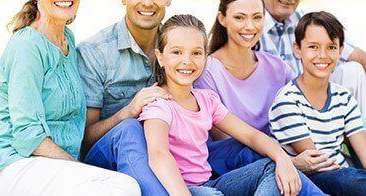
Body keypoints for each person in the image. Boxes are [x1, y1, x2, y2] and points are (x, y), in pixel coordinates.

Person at [0, 0, 140, 195]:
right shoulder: (27, 46)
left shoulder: (68, 41)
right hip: (17, 164)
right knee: (123, 187)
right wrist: (79, 169)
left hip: (55, 166)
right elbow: (28, 135)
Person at [139, 14, 324, 196]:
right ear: (160, 57)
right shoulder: (159, 105)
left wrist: (283, 158)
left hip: (210, 183)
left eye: (196, 53)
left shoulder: (206, 100)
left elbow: (251, 136)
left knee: (271, 167)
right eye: (176, 52)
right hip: (185, 190)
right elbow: (158, 154)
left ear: (206, 57)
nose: (187, 61)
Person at [194, 0, 338, 178]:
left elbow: (299, 115)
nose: (250, 26)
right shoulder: (207, 71)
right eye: (239, 17)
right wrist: (289, 162)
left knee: (338, 178)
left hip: (281, 153)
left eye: (257, 18)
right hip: (235, 162)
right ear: (222, 19)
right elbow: (228, 138)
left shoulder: (277, 67)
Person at [77, 0, 173, 195]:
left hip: (169, 153)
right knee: (130, 129)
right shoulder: (94, 53)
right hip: (109, 159)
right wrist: (128, 111)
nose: (148, 2)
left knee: (252, 154)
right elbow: (84, 139)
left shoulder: (181, 47)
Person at [255, 0, 366, 125]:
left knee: (354, 71)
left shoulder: (309, 21)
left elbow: (357, 55)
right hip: (278, 118)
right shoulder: (249, 28)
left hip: (317, 106)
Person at [269, 11, 366, 196]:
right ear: (297, 49)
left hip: (348, 176)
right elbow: (318, 163)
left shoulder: (343, 97)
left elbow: (363, 151)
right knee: (351, 181)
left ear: (340, 50)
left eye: (331, 47)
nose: (323, 55)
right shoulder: (287, 101)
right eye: (313, 47)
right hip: (313, 179)